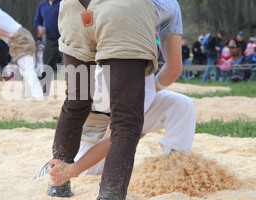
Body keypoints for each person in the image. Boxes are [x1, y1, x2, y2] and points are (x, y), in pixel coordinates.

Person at [48, 0, 184, 200]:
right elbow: (174, 68)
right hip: (125, 15)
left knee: (76, 102)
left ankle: (58, 183)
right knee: (126, 122)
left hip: (77, 7)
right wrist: (148, 88)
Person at [46, 68, 195, 186]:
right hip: (97, 127)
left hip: (129, 104)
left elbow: (174, 69)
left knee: (181, 104)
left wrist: (143, 100)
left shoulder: (142, 83)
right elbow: (114, 136)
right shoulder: (104, 77)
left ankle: (176, 168)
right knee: (88, 174)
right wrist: (74, 169)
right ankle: (49, 169)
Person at [34, 0, 66, 95]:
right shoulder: (42, 5)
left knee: (67, 65)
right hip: (49, 40)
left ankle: (69, 90)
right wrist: (39, 27)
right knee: (47, 65)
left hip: (64, 39)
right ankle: (43, 92)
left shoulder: (65, 2)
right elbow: (37, 20)